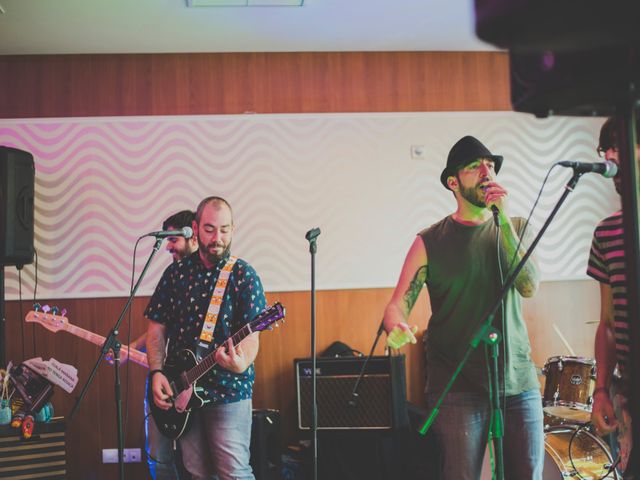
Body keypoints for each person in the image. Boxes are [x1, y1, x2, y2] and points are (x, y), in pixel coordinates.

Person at [383, 135, 543, 479]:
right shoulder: (430, 241)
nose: (487, 172)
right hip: (457, 382)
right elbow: (397, 306)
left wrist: (504, 219)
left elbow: (529, 285)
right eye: (475, 167)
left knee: (529, 472)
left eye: (491, 165)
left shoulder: (514, 228)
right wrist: (396, 326)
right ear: (453, 182)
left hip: (517, 378)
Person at [146, 196, 266, 480]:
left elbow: (252, 336)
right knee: (196, 472)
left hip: (229, 391)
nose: (218, 238)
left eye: (225, 230)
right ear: (196, 228)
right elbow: (156, 329)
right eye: (210, 229)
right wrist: (156, 372)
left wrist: (241, 362)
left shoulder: (243, 275)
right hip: (184, 389)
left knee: (234, 472)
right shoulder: (176, 274)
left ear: (233, 229)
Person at [116, 210, 198, 480]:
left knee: (196, 462)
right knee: (158, 456)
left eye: (173, 239)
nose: (169, 247)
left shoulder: (213, 277)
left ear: (192, 234)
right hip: (164, 375)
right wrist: (131, 349)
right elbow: (159, 329)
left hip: (196, 380)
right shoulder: (173, 275)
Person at [587, 116, 640, 474]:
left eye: (618, 145)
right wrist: (603, 390)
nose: (608, 155)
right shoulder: (606, 233)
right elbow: (607, 323)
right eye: (604, 148)